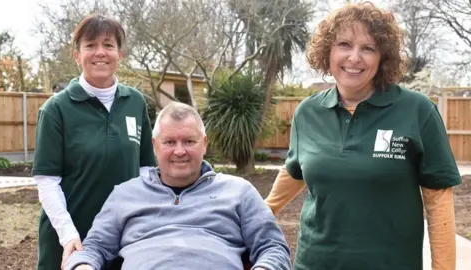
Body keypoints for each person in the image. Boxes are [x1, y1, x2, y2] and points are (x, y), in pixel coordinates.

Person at [265, 2, 461, 270]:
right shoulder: (308, 112)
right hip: (314, 263)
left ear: (382, 59)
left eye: (368, 48)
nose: (354, 58)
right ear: (328, 52)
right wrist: (263, 212)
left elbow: (438, 199)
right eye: (344, 44)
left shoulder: (417, 111)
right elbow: (295, 170)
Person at [62, 101, 291, 270]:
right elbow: (94, 248)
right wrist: (82, 266)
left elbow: (273, 247)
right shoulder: (125, 194)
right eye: (170, 142)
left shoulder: (238, 191)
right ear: (154, 146)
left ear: (204, 144)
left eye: (189, 141)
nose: (179, 151)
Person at [32, 14, 156, 270]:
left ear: (120, 54)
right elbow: (47, 182)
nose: (100, 52)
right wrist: (69, 235)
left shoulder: (135, 102)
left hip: (122, 237)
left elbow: (146, 169)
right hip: (70, 240)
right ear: (77, 55)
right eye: (90, 45)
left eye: (108, 45)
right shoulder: (56, 109)